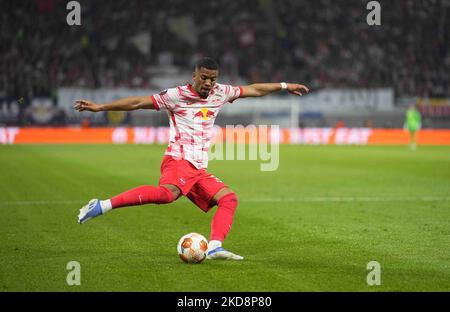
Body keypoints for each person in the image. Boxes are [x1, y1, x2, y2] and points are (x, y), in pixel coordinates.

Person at [74, 57, 309, 260]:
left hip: (197, 166)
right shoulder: (176, 96)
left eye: (213, 79)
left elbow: (254, 89)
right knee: (167, 194)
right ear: (194, 75)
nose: (208, 83)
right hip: (178, 160)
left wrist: (284, 85)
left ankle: (215, 246)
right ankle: (102, 205)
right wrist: (100, 107)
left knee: (228, 199)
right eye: (204, 78)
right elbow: (137, 102)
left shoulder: (221, 93)